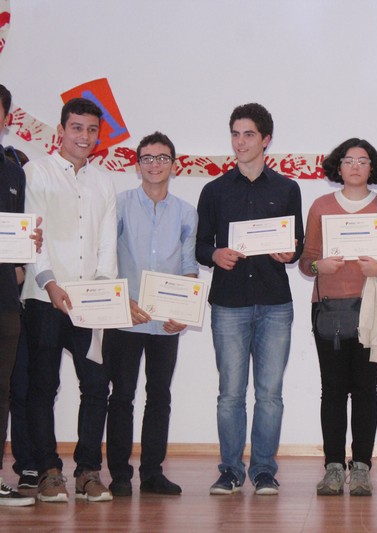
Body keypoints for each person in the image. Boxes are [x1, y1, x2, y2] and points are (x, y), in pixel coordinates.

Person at [196, 103, 304, 496]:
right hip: (229, 304)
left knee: (270, 395)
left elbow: (298, 243)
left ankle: (263, 471)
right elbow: (200, 245)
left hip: (275, 304)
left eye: (248, 135)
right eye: (235, 134)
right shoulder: (214, 190)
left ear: (266, 140)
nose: (240, 142)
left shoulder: (287, 189)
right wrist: (215, 255)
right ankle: (229, 470)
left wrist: (290, 252)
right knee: (230, 395)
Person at [22, 97, 117, 503]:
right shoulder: (36, 172)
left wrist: (104, 292)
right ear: (61, 130)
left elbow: (107, 243)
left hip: (89, 302)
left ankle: (88, 472)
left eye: (92, 130)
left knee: (96, 386)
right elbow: (32, 235)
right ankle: (48, 472)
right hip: (44, 298)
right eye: (77, 128)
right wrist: (49, 283)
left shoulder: (103, 182)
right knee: (43, 386)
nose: (84, 136)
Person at [299, 138, 377, 497]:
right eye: (348, 160)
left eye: (363, 160)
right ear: (338, 166)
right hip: (329, 309)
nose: (355, 166)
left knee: (366, 390)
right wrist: (319, 266)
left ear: (372, 167)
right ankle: (332, 467)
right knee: (332, 390)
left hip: (371, 308)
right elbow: (306, 261)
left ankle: (361, 467)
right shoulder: (321, 206)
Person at [102, 132, 199, 498]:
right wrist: (121, 300)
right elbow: (106, 259)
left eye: (162, 158)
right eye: (147, 158)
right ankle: (120, 474)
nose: (154, 164)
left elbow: (189, 267)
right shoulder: (120, 205)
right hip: (125, 317)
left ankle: (153, 473)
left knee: (159, 396)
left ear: (174, 165)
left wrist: (185, 312)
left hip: (167, 322)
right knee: (121, 396)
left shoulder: (186, 212)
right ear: (137, 164)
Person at [0, 83, 40, 507]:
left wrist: (26, 249)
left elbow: (15, 234)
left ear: (6, 118)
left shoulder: (14, 171)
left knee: (3, 388)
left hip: (4, 301)